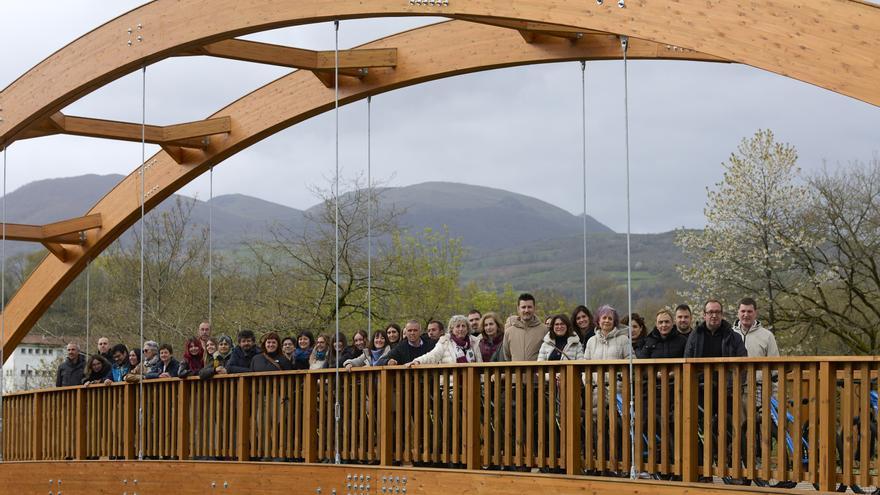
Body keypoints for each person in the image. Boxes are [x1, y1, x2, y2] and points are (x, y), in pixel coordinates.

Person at [408, 315, 482, 366]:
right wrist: (417, 361)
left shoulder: (474, 341)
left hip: (473, 383)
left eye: (463, 326)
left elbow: (480, 361)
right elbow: (432, 356)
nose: (461, 329)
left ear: (467, 328)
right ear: (452, 329)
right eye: (457, 326)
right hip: (451, 385)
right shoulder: (445, 341)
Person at [502, 293, 547, 361]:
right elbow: (507, 355)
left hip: (537, 371)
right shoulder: (509, 332)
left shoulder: (544, 330)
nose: (526, 310)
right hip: (515, 371)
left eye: (529, 307)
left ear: (534, 308)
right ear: (518, 309)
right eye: (523, 307)